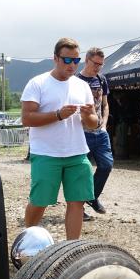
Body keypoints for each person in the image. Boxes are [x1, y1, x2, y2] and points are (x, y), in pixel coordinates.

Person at [21, 37, 98, 240]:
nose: (72, 65)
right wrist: (58, 115)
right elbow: (27, 118)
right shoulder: (37, 83)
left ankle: (72, 247)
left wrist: (87, 115)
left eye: (76, 60)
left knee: (78, 201)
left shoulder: (82, 86)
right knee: (40, 201)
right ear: (55, 58)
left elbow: (93, 124)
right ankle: (27, 241)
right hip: (47, 153)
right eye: (67, 60)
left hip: (77, 152)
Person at [77, 47, 112, 219]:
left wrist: (104, 124)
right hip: (81, 133)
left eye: (101, 64)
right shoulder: (75, 80)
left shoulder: (102, 79)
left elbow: (105, 104)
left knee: (106, 165)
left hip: (100, 131)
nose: (98, 67)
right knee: (82, 171)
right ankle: (79, 209)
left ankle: (93, 197)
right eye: (95, 63)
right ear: (86, 60)